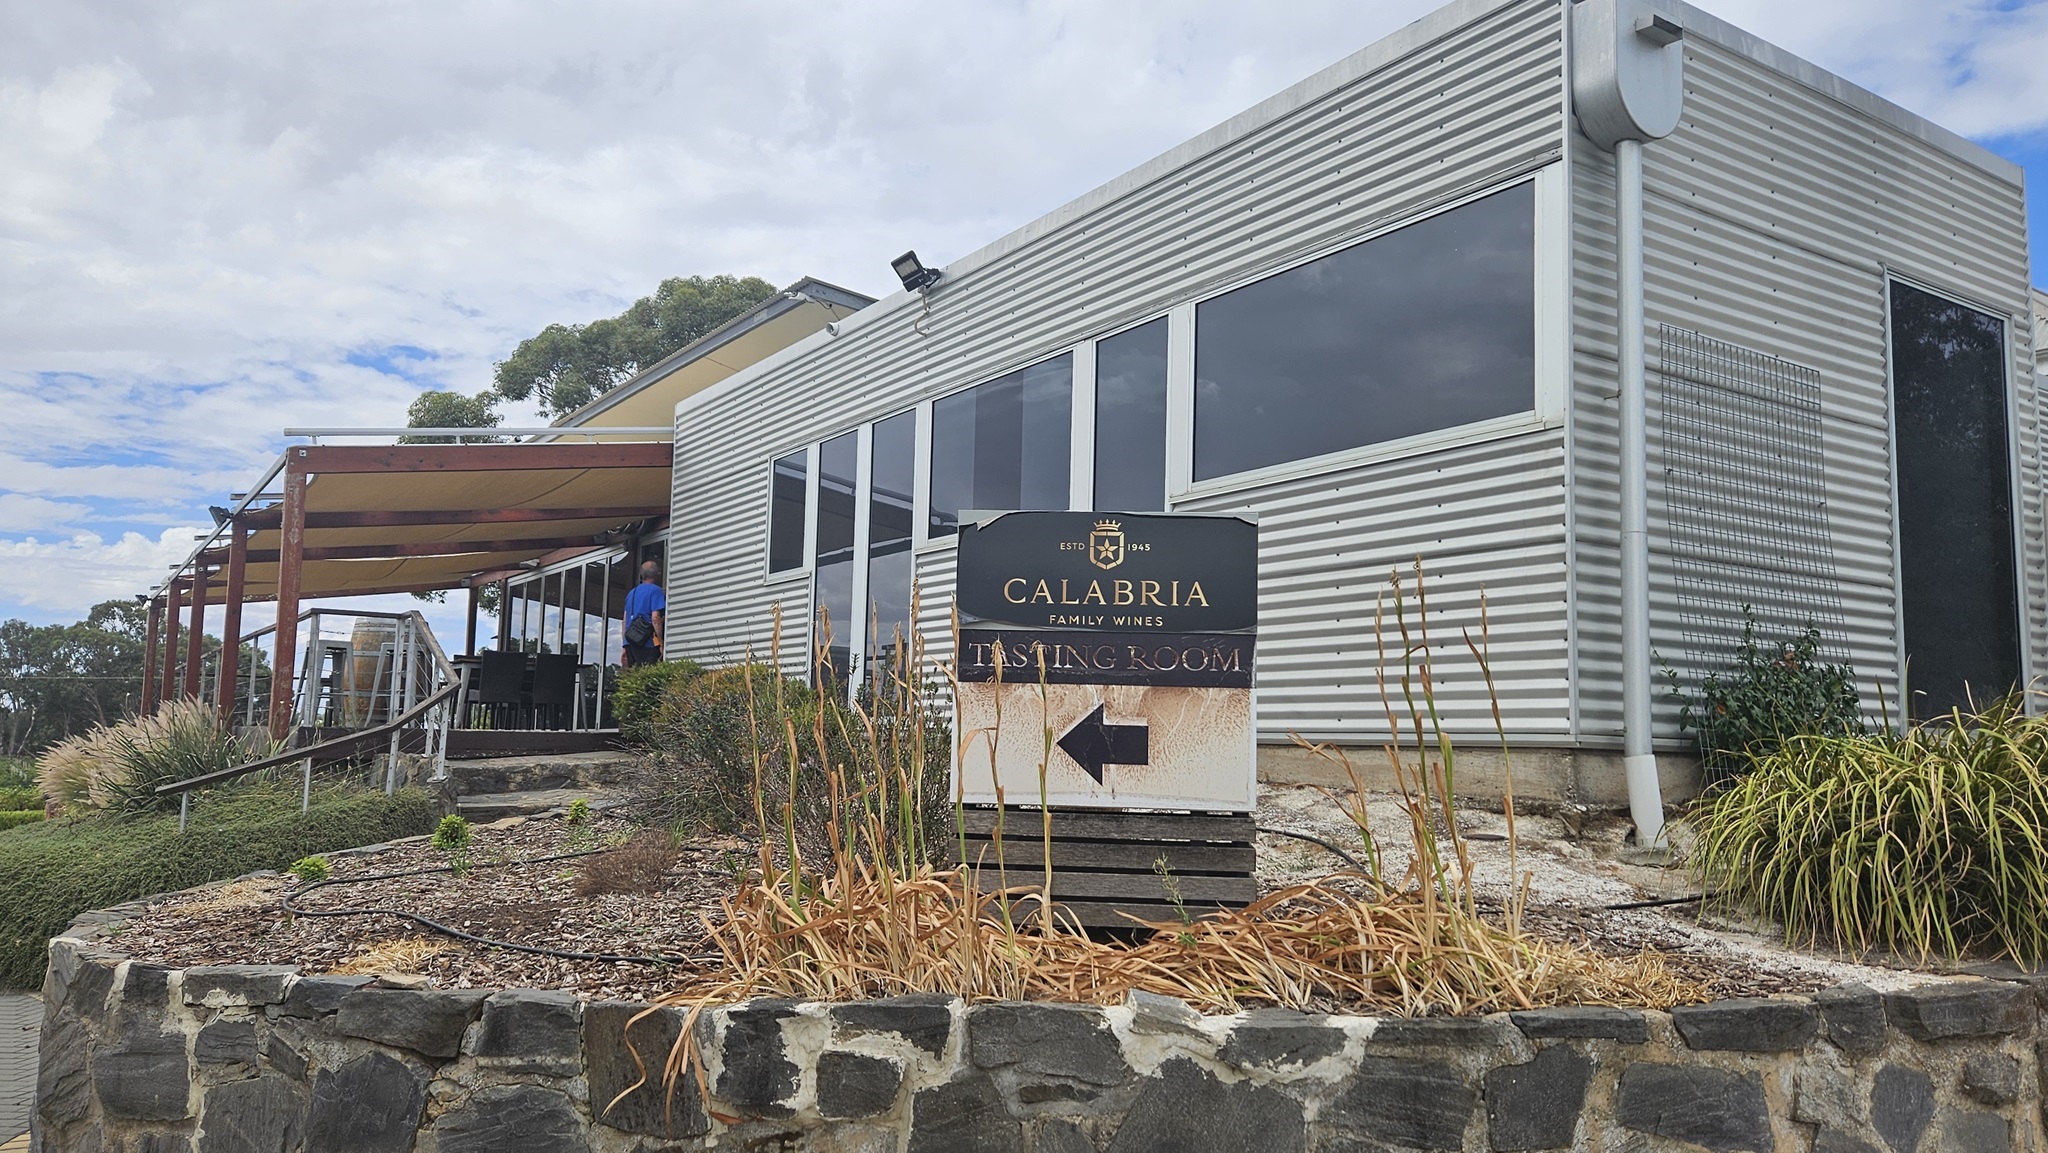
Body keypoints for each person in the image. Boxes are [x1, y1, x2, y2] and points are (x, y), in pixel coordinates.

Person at [622, 560, 666, 668]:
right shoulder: (656, 591)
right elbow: (655, 618)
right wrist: (661, 643)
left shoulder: (632, 593)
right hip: (647, 643)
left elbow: (624, 621)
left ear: (641, 575)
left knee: (635, 674)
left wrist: (624, 645)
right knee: (648, 674)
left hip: (630, 643)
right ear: (657, 574)